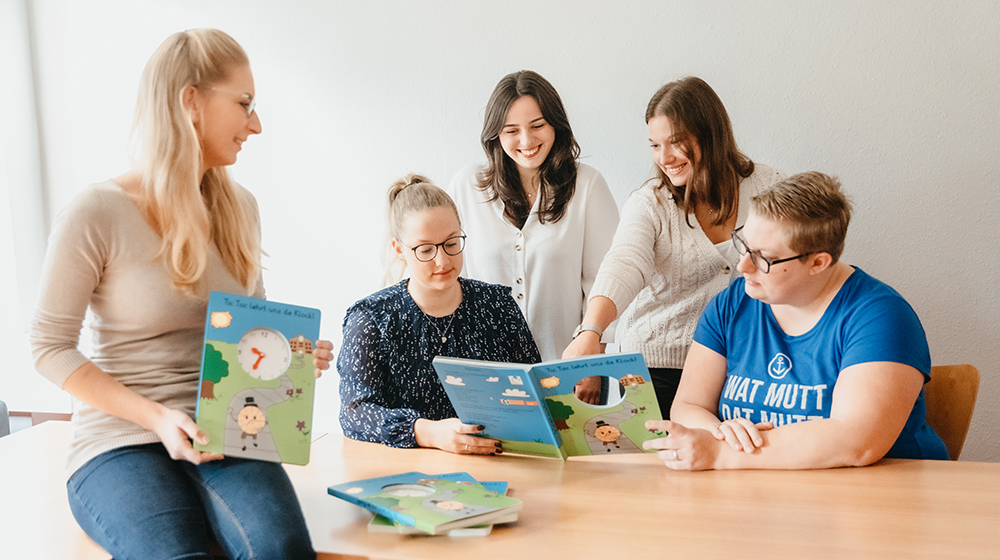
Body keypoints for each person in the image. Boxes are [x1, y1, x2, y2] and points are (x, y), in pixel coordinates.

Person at [29, 29, 331, 559]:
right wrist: (157, 417)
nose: (255, 124)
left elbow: (247, 338)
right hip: (119, 442)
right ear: (191, 100)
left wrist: (291, 358)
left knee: (279, 548)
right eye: (244, 104)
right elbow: (48, 347)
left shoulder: (243, 208)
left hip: (229, 433)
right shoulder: (96, 212)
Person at [643, 171, 949, 470]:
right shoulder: (731, 304)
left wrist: (720, 453)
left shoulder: (881, 317)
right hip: (764, 498)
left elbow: (856, 440)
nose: (742, 266)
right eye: (744, 245)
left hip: (884, 501)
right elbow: (688, 407)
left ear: (818, 262)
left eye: (763, 258)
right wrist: (723, 434)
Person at [563, 77, 786, 411]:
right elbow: (624, 263)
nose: (664, 157)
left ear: (710, 135)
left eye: (676, 142)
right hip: (655, 364)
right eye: (655, 145)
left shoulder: (769, 187)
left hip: (741, 363)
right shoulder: (651, 202)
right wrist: (590, 332)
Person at [338, 175, 541, 454]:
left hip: (500, 461)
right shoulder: (372, 318)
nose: (443, 261)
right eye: (425, 250)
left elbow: (535, 391)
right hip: (408, 474)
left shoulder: (498, 305)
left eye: (452, 243)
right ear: (399, 249)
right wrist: (428, 432)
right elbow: (355, 413)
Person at [448, 70, 619, 363]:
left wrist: (593, 361)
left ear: (556, 124)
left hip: (568, 369)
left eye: (537, 125)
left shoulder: (587, 185)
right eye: (511, 130)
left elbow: (607, 281)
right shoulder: (466, 186)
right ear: (495, 134)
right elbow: (450, 278)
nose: (526, 140)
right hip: (489, 371)